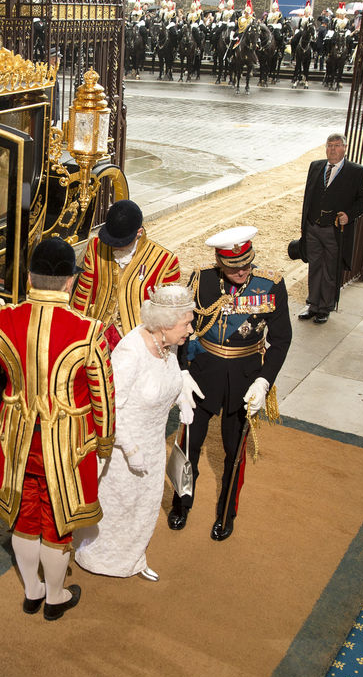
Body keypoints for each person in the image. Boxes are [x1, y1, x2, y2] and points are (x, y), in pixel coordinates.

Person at [0, 237, 115, 621]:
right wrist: (104, 444)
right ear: (69, 282)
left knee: (25, 517)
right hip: (68, 447)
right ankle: (55, 596)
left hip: (17, 440)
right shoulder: (90, 330)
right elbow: (103, 400)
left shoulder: (2, 320)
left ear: (29, 277)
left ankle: (32, 591)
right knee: (57, 524)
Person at [172, 226, 291, 539]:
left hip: (245, 377)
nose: (243, 271)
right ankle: (181, 502)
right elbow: (186, 327)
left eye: (247, 264)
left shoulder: (271, 285)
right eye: (234, 267)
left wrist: (264, 382)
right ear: (219, 263)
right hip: (202, 373)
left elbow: (281, 340)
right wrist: (182, 371)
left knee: (234, 452)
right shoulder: (202, 279)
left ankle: (227, 512)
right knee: (187, 445)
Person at [74, 284, 199, 582]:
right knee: (120, 507)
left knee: (144, 505)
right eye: (186, 324)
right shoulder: (131, 352)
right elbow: (109, 407)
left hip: (154, 445)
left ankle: (132, 558)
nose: (191, 331)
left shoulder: (168, 344)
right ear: (166, 324)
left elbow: (164, 378)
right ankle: (101, 559)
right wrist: (129, 449)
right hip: (122, 451)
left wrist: (181, 391)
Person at [69, 198, 181, 347]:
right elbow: (83, 292)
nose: (114, 246)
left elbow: (167, 313)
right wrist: (77, 331)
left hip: (139, 340)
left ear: (139, 232)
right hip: (97, 333)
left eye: (121, 242)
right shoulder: (95, 247)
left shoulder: (166, 261)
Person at [298, 132, 363, 323]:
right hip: (313, 226)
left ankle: (325, 307)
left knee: (330, 269)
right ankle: (312, 304)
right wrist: (304, 225)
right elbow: (308, 196)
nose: (333, 149)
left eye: (337, 145)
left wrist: (349, 215)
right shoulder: (315, 166)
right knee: (314, 266)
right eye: (330, 145)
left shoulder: (357, 171)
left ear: (345, 148)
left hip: (335, 230)